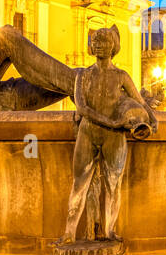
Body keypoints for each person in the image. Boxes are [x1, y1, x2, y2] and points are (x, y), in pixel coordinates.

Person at [61, 26, 157, 244]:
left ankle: (110, 230)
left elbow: (140, 101)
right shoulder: (82, 75)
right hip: (89, 133)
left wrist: (152, 118)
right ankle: (69, 232)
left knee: (114, 185)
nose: (99, 45)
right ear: (91, 46)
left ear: (114, 47)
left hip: (114, 137)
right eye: (95, 41)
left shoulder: (121, 76)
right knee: (79, 184)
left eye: (104, 42)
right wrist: (113, 122)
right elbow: (82, 109)